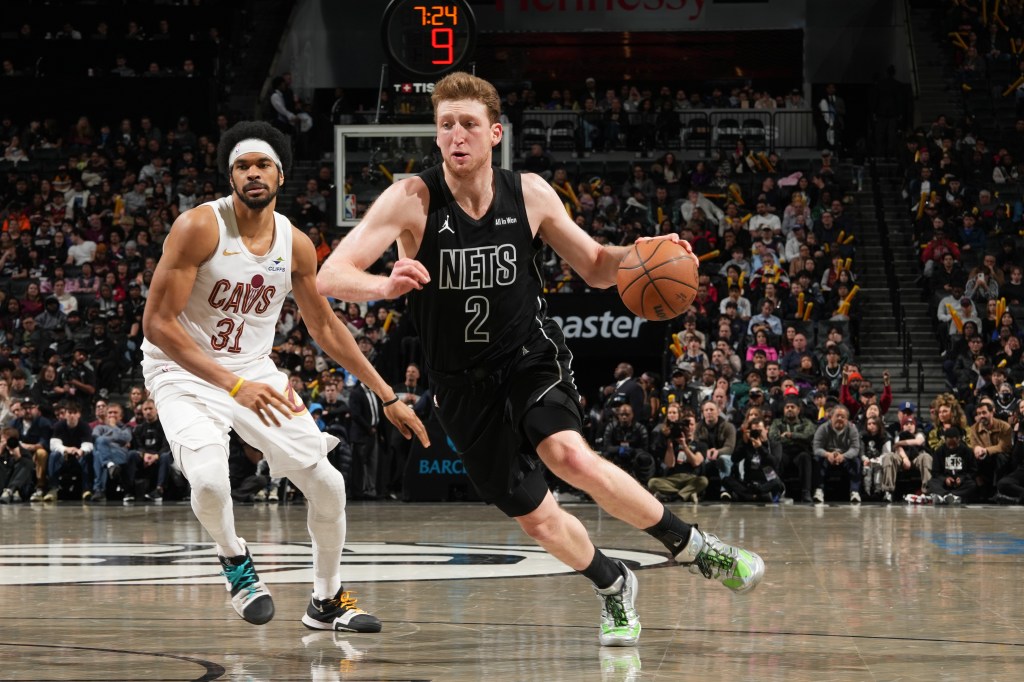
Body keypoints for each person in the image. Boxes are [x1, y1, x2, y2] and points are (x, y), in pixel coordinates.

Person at [316, 71, 764, 648]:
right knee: (538, 519)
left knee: (568, 454)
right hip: (460, 386)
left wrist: (646, 253)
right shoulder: (412, 199)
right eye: (446, 125)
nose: (457, 135)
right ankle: (612, 582)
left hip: (529, 354)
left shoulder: (528, 194)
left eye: (469, 124)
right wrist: (384, 286)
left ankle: (695, 547)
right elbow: (331, 274)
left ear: (494, 133)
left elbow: (596, 265)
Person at [141, 121, 429, 630]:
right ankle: (234, 558)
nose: (252, 173)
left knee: (329, 484)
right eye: (242, 166)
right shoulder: (199, 227)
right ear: (230, 175)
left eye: (262, 165)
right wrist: (233, 386)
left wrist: (386, 395)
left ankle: (327, 599)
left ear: (280, 175)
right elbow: (157, 325)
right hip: (181, 369)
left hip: (253, 371)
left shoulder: (295, 243)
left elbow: (325, 326)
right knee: (209, 481)